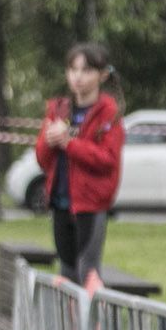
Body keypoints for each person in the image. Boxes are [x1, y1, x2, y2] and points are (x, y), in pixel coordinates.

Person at [33, 43, 125, 285]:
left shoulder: (109, 113)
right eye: (73, 70)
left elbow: (107, 160)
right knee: (66, 271)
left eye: (86, 71)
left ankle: (91, 323)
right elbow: (42, 160)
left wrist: (69, 143)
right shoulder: (58, 109)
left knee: (88, 271)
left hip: (91, 204)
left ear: (102, 75)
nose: (78, 77)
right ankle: (69, 323)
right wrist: (49, 141)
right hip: (60, 202)